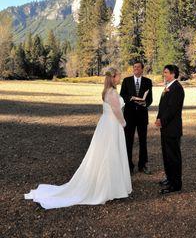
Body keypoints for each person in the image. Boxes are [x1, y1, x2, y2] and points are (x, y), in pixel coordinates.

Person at [24, 68, 132, 209]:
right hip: (111, 125)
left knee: (106, 153)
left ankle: (112, 186)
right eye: (119, 76)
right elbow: (117, 110)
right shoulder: (112, 92)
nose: (120, 78)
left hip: (106, 124)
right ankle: (107, 188)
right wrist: (123, 123)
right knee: (109, 154)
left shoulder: (107, 91)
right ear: (113, 77)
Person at [155, 64, 184, 194]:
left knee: (173, 156)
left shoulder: (176, 88)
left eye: (166, 72)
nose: (164, 74)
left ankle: (176, 184)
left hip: (172, 128)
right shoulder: (168, 87)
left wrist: (162, 120)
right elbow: (163, 107)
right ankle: (169, 178)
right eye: (164, 72)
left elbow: (172, 109)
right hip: (166, 127)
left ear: (173, 74)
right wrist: (158, 118)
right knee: (166, 155)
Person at [120, 61, 153, 174]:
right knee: (128, 141)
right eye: (134, 67)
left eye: (138, 67)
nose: (136, 69)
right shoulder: (126, 80)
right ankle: (128, 165)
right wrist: (131, 98)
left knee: (143, 141)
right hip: (129, 116)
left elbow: (150, 99)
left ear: (142, 69)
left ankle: (142, 164)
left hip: (142, 116)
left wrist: (145, 103)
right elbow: (122, 95)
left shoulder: (148, 81)